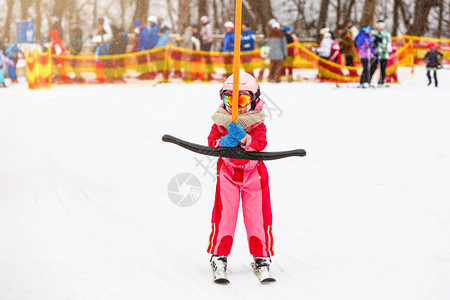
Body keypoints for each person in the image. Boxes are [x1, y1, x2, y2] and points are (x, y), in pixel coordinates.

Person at [207, 72, 274, 280]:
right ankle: (219, 256)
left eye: (242, 100)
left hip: (254, 176)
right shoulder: (220, 121)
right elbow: (212, 142)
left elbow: (260, 144)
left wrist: (245, 138)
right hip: (227, 175)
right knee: (225, 216)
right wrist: (224, 141)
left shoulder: (257, 122)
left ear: (253, 100)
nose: (235, 106)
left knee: (257, 217)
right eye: (229, 99)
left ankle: (261, 257)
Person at [371, 20, 392, 86]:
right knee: (373, 67)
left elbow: (388, 44)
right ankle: (368, 80)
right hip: (376, 54)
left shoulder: (386, 34)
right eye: (379, 25)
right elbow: (370, 42)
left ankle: (381, 81)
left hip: (384, 54)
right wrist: (375, 41)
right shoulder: (374, 33)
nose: (380, 27)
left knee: (383, 69)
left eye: (381, 25)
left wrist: (382, 41)